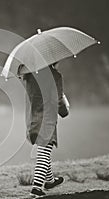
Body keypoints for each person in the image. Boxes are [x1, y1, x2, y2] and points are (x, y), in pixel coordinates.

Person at [18, 62, 69, 197]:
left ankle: (50, 181)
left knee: (44, 149)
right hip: (47, 119)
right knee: (44, 151)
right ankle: (37, 188)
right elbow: (59, 103)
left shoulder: (28, 76)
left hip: (33, 118)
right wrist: (65, 109)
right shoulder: (55, 76)